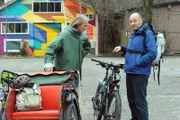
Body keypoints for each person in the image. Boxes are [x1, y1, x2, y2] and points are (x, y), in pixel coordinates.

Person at [113, 13, 157, 120]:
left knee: (140, 103)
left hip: (140, 73)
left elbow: (152, 53)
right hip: (130, 71)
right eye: (131, 21)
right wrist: (122, 48)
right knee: (132, 101)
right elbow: (133, 50)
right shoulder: (135, 34)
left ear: (141, 21)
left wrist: (138, 62)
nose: (132, 23)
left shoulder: (147, 33)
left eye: (135, 21)